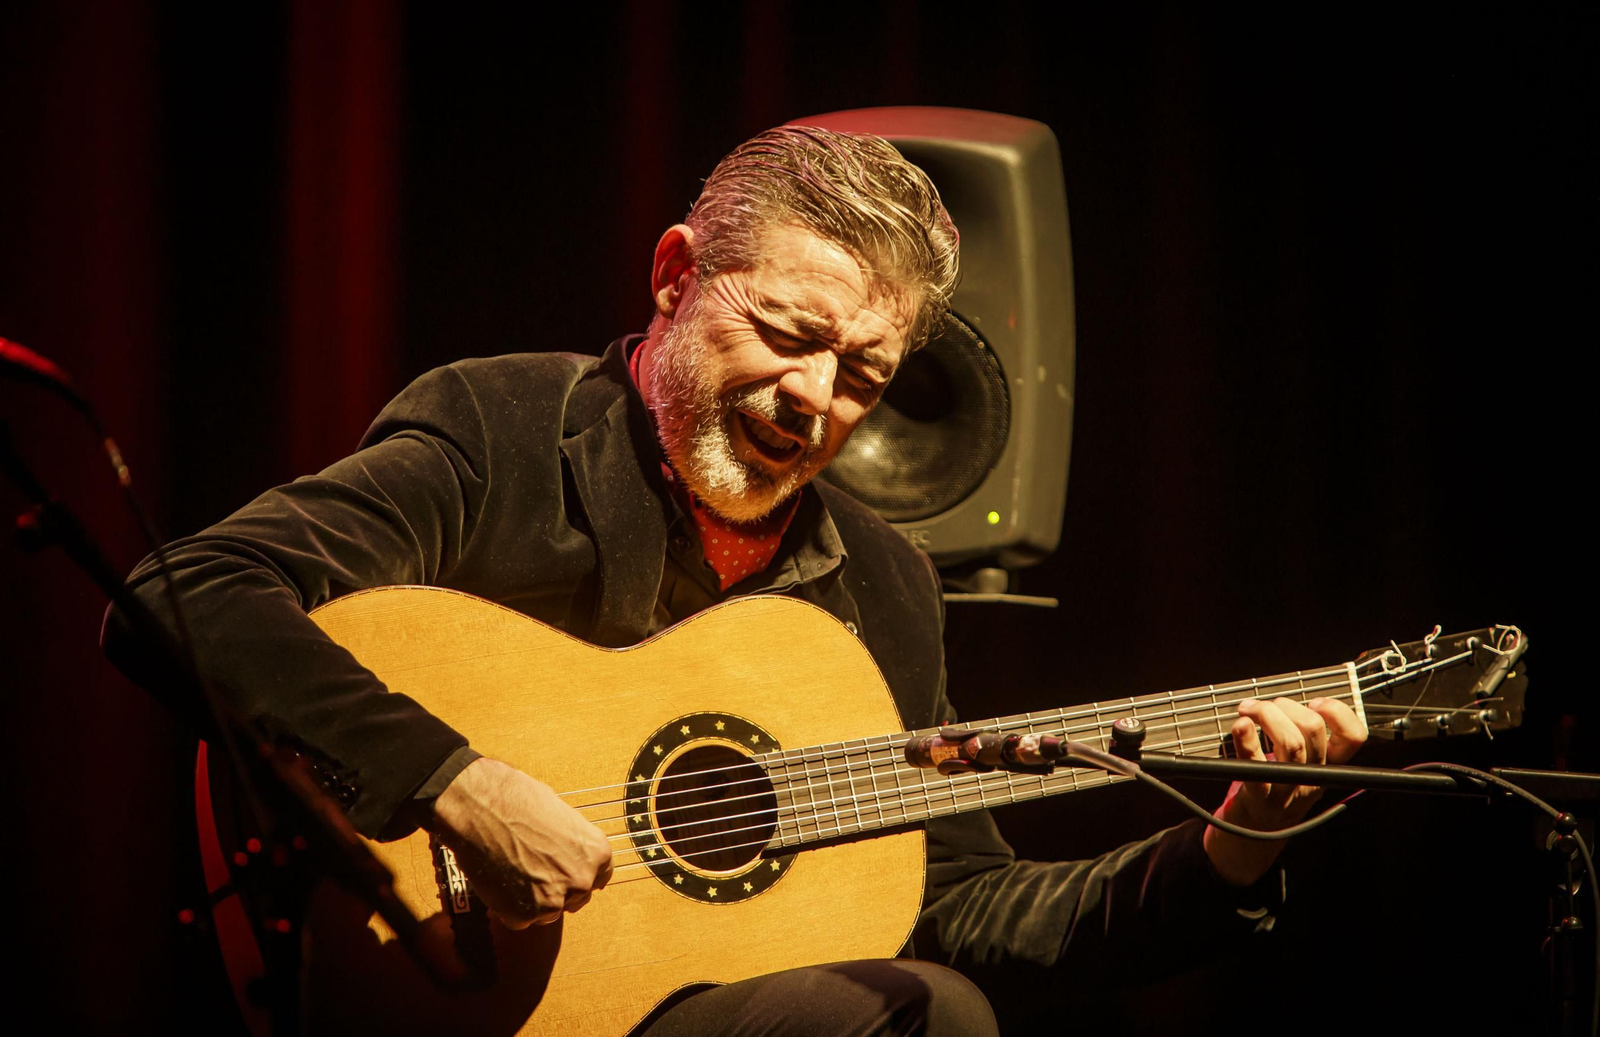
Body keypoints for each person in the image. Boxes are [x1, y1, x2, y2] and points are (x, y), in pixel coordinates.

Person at [105, 126, 1366, 1036]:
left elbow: (959, 903)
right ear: (674, 278)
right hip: (438, 994)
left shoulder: (883, 581)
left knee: (934, 1003)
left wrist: (1227, 854)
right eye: (786, 334)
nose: (816, 398)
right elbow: (192, 589)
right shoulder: (499, 425)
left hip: (715, 1015)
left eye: (863, 375)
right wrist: (454, 780)